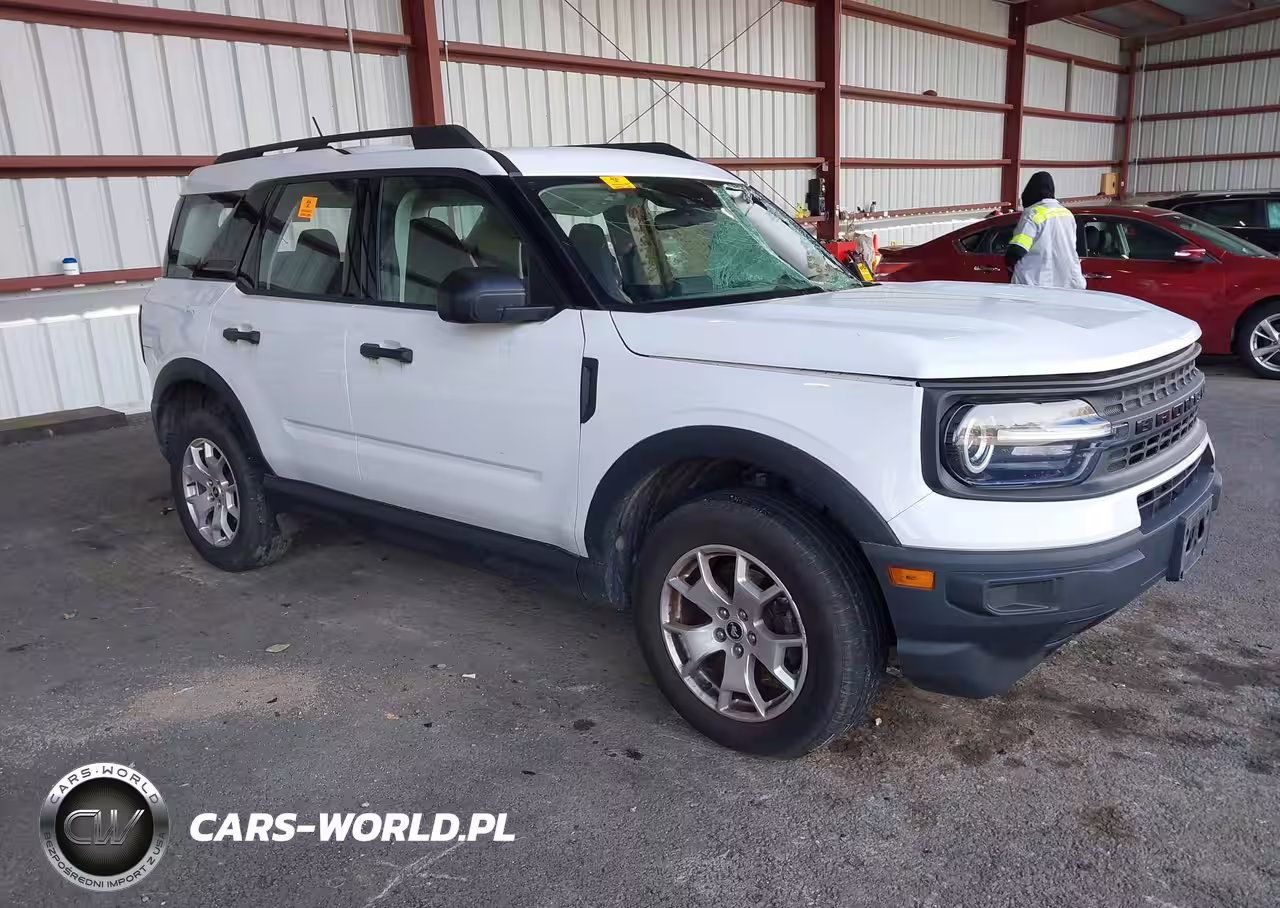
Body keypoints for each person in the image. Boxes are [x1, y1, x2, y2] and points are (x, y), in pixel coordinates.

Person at [1003, 172, 1086, 290]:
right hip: (1065, 284)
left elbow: (1018, 248)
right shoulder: (1067, 214)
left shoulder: (1033, 214)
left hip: (1034, 284)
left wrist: (1009, 261)